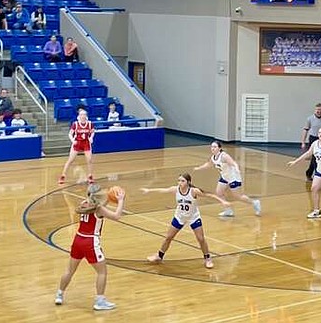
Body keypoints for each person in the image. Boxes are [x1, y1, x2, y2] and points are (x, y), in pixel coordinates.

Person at [55, 183, 125, 311]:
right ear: (99, 195)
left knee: (70, 270)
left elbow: (99, 205)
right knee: (102, 272)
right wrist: (120, 201)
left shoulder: (84, 203)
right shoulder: (99, 209)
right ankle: (100, 301)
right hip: (90, 242)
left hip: (78, 240)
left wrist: (108, 198)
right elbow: (117, 216)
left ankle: (59, 294)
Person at [141, 173, 230, 269]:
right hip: (180, 216)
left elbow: (209, 195)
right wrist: (148, 190)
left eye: (182, 181)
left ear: (188, 182)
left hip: (193, 217)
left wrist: (223, 201)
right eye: (179, 180)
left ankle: (208, 258)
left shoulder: (194, 191)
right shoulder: (176, 189)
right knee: (168, 237)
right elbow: (163, 190)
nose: (180, 183)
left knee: (201, 239)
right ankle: (159, 256)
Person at [194, 140, 261, 217]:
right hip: (225, 177)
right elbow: (208, 164)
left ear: (219, 148)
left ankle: (255, 202)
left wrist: (237, 168)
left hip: (233, 177)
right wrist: (199, 168)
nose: (213, 148)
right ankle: (228, 210)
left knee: (237, 196)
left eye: (215, 147)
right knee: (219, 192)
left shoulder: (224, 156)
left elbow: (233, 163)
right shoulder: (213, 157)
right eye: (212, 147)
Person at [59, 109, 95, 184]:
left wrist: (91, 137)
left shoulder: (90, 124)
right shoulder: (75, 124)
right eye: (81, 114)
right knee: (70, 160)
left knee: (89, 160)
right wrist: (73, 140)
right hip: (77, 143)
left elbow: (93, 132)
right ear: (79, 116)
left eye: (84, 114)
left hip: (86, 143)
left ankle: (90, 175)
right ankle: (63, 175)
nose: (83, 116)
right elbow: (70, 134)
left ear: (86, 116)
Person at [300, 103, 321, 181]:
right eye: (317, 109)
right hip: (313, 139)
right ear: (315, 110)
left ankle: (312, 173)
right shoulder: (310, 119)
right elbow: (305, 130)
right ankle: (316, 176)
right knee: (315, 158)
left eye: (320, 109)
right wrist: (303, 142)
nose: (318, 111)